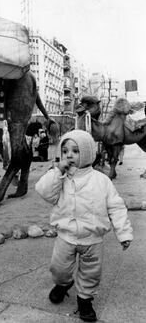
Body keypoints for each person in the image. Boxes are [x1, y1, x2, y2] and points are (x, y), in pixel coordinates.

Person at [35, 130, 133, 322]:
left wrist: (124, 233)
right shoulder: (59, 178)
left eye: (75, 151)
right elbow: (44, 192)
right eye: (65, 151)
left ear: (88, 153)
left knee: (91, 272)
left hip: (92, 239)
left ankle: (85, 300)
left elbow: (116, 207)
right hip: (66, 236)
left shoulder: (101, 180)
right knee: (59, 268)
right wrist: (57, 171)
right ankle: (63, 284)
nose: (69, 155)